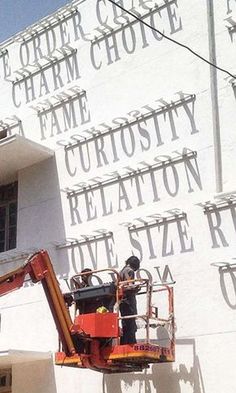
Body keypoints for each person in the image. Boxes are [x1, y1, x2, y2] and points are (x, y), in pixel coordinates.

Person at [119, 256, 140, 345]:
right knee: (131, 323)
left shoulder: (121, 271)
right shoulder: (129, 270)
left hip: (122, 300)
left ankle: (124, 343)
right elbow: (129, 285)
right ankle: (131, 343)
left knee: (125, 323)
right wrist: (137, 287)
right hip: (128, 300)